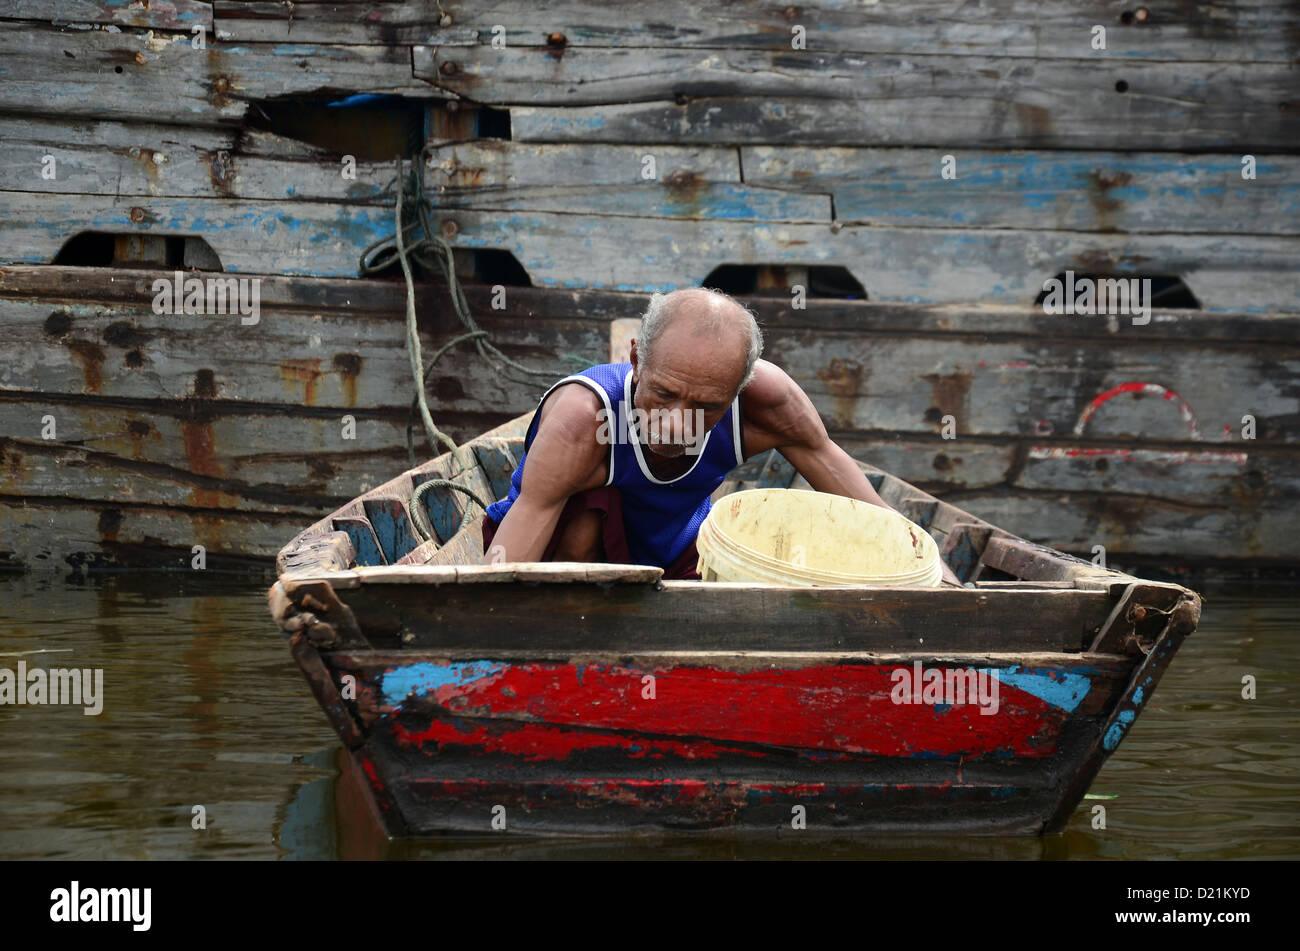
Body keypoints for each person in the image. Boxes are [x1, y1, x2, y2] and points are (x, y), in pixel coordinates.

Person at [481, 287, 962, 585]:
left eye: (707, 406)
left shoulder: (766, 401)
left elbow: (869, 511)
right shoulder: (583, 419)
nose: (676, 423)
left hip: (675, 549)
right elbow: (507, 563)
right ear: (635, 361)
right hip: (564, 564)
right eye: (664, 393)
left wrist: (947, 588)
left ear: (740, 387)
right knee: (587, 519)